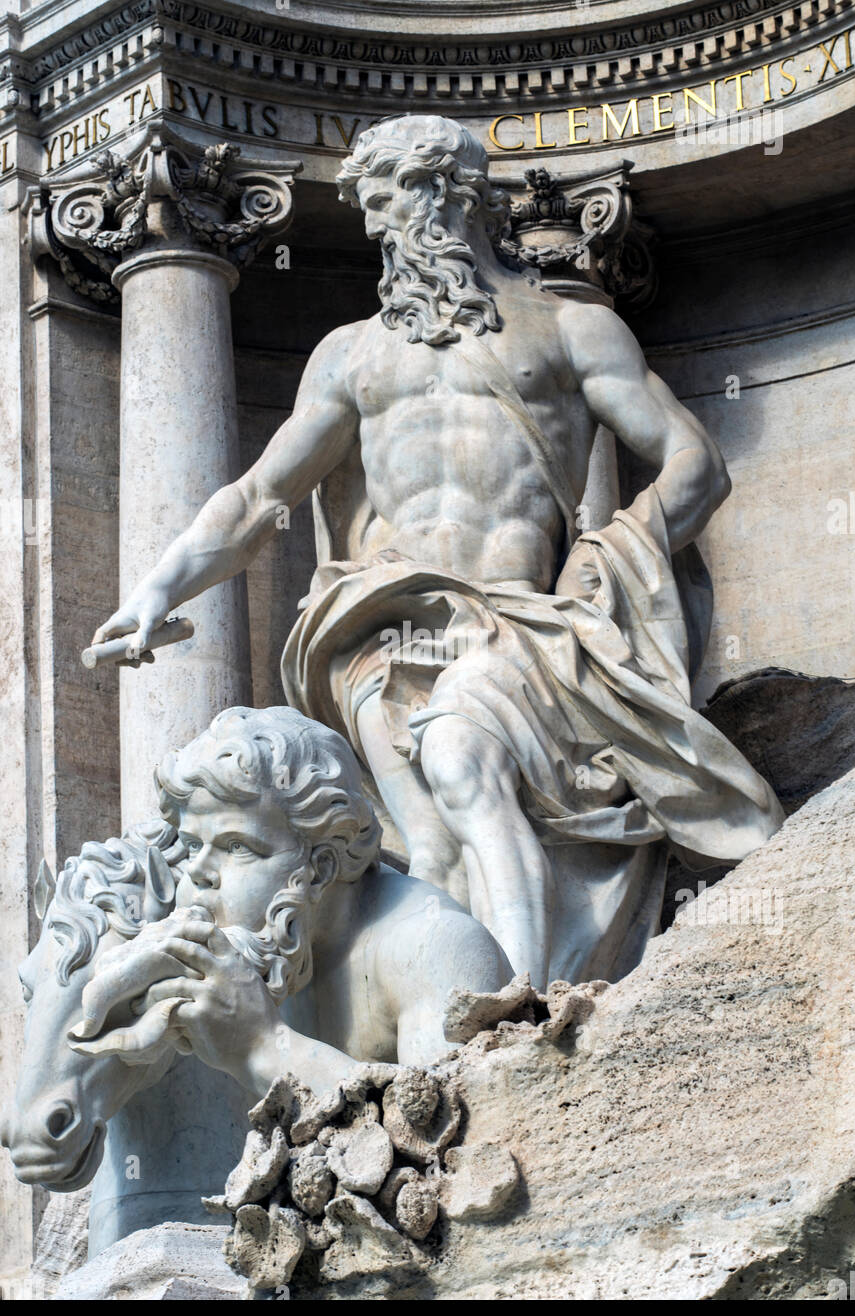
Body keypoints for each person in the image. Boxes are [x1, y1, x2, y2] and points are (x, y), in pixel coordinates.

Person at [91, 114, 783, 989]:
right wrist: (160, 589)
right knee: (426, 845)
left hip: (518, 624)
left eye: (384, 201)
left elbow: (696, 464)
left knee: (459, 749)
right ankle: (455, 1041)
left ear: (445, 193)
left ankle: (519, 1004)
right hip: (384, 635)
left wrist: (611, 552)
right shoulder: (350, 357)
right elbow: (259, 497)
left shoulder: (570, 330)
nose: (376, 228)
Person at [71, 706, 510, 1097]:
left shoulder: (435, 947)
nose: (200, 873)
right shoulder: (271, 950)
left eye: (237, 846)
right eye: (190, 847)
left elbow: (453, 1149)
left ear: (320, 867)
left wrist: (259, 1047)